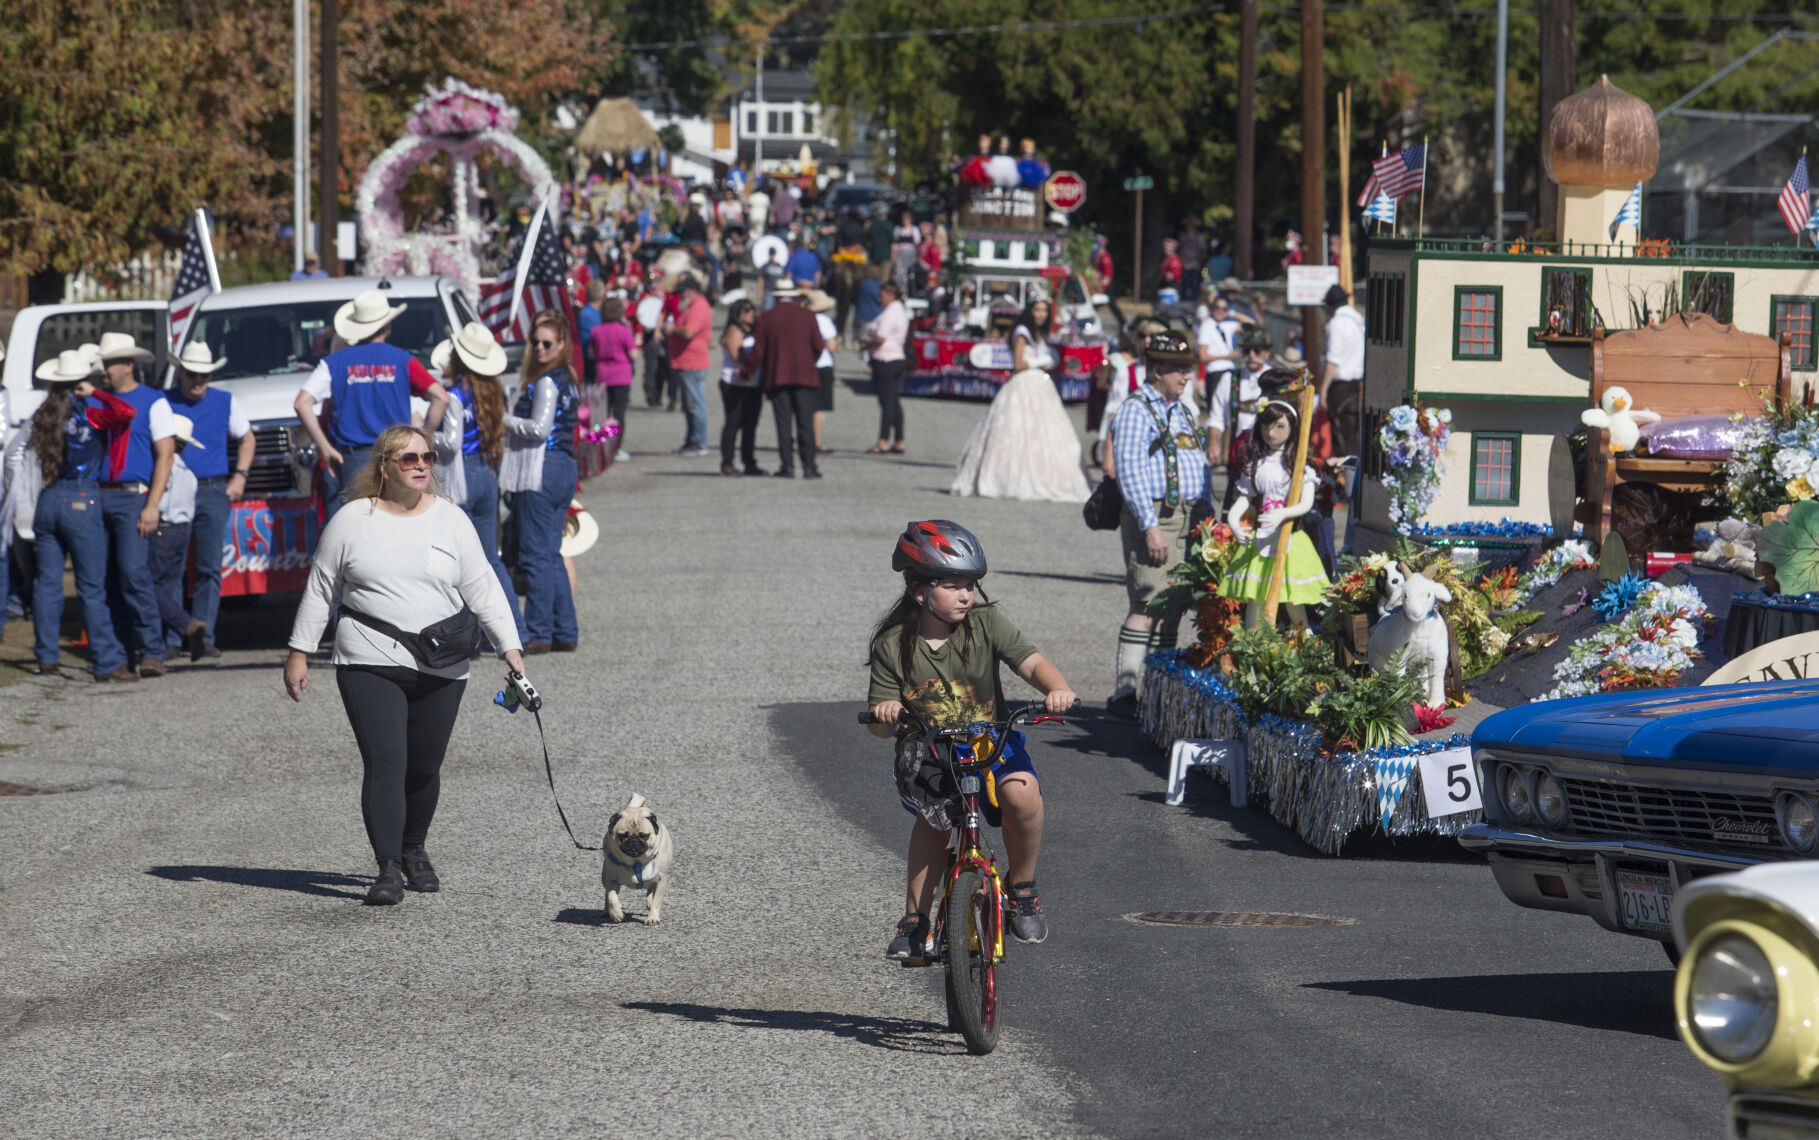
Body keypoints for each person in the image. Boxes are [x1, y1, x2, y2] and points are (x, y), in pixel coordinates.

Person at [284, 424, 527, 906]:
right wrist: (299, 652)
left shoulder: (453, 520)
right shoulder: (352, 519)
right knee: (387, 763)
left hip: (443, 660)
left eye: (427, 457)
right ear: (384, 467)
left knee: (424, 766)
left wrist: (511, 652)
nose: (420, 465)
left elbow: (484, 588)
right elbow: (322, 588)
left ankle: (415, 849)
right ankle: (388, 866)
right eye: (408, 458)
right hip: (369, 656)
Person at [865, 520, 1077, 959]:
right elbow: (877, 724)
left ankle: (1022, 888)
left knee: (1022, 793)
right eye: (955, 586)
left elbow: (1032, 663)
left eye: (971, 586)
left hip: (988, 738)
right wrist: (886, 715)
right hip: (929, 749)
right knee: (935, 818)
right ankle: (915, 922)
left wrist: (1055, 689)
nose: (966, 596)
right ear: (920, 590)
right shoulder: (893, 644)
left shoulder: (985, 623)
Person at [1104, 332, 1208, 724]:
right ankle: (1125, 692)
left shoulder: (1180, 409)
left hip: (1185, 516)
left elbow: (1195, 461)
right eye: (1179, 369)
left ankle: (1157, 690)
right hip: (1155, 515)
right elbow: (1128, 470)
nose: (1186, 376)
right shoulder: (1136, 409)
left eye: (1187, 369)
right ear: (1157, 369)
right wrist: (1150, 527)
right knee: (1147, 602)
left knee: (1173, 607)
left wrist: (1205, 514)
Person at [28, 350, 139, 680]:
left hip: (48, 497)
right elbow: (126, 411)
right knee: (91, 588)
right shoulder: (90, 414)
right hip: (82, 496)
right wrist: (98, 394)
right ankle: (107, 661)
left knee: (47, 583)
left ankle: (46, 656)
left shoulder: (45, 416)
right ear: (82, 383)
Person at [294, 288, 449, 519]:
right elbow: (441, 397)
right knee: (398, 522)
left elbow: (302, 403)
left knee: (359, 527)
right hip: (398, 456)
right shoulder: (403, 360)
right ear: (387, 326)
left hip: (354, 459)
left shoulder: (335, 362)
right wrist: (422, 438)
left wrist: (325, 448)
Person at [429, 322, 526, 647]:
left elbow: (452, 442)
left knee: (459, 562)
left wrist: (421, 432)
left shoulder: (455, 395)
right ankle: (515, 630)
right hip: (486, 472)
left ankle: (467, 638)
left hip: (460, 477)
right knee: (489, 560)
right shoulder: (492, 391)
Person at [164, 342, 257, 659]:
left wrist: (240, 476)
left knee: (207, 567)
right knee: (171, 567)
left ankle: (203, 635)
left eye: (203, 374)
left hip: (212, 489)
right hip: (172, 489)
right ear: (180, 372)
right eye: (192, 374)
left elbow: (247, 439)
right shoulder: (163, 400)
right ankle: (175, 637)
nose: (198, 380)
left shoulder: (225, 401)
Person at [500, 310, 580, 653]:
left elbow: (539, 429)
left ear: (562, 344)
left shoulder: (547, 382)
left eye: (548, 343)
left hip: (542, 466)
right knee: (550, 552)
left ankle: (539, 632)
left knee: (535, 554)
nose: (541, 348)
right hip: (562, 465)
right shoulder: (567, 379)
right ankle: (564, 630)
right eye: (536, 342)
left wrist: (504, 419)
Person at [95, 332, 175, 676]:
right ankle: (123, 651)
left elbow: (166, 455)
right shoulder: (99, 402)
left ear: (127, 365)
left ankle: (152, 649)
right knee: (107, 577)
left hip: (132, 494)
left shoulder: (153, 402)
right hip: (101, 492)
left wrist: (152, 503)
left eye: (109, 363)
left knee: (133, 572)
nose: (104, 370)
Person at [1218, 400, 1330, 628]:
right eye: (1266, 426)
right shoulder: (1254, 464)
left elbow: (1305, 503)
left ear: (1292, 429)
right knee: (1256, 600)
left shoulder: (1300, 467)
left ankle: (1303, 645)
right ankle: (1253, 648)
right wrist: (1234, 522)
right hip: (1260, 539)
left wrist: (1283, 514)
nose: (1271, 432)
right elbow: (1244, 498)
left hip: (1290, 538)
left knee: (1293, 601)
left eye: (1279, 426)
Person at [950, 365, 1090, 503]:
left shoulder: (1038, 342)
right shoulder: (1021, 340)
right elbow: (1018, 363)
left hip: (1039, 385)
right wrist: (1039, 362)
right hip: (1025, 384)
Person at [145, 414, 210, 663]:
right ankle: (173, 637)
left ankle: (186, 625)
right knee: (170, 585)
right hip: (183, 530)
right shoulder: (188, 474)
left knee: (149, 585)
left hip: (163, 527)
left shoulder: (165, 469)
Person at [742, 285, 825, 479]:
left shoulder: (766, 318)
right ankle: (809, 466)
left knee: (783, 423)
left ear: (777, 298)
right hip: (805, 377)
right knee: (805, 422)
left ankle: (787, 466)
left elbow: (758, 351)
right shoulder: (808, 316)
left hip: (778, 376)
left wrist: (746, 372)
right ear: (795, 297)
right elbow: (819, 347)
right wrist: (808, 363)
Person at [1208, 327, 1274, 470]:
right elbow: (1216, 417)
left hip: (1269, 455)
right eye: (1246, 350)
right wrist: (1213, 442)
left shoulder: (1274, 379)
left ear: (1267, 353)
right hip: (1237, 454)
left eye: (1257, 350)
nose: (1251, 355)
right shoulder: (1229, 379)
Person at [663, 275, 713, 457]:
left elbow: (689, 332)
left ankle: (699, 442)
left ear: (692, 290)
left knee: (695, 404)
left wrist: (672, 329)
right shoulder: (693, 306)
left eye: (683, 291)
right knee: (689, 404)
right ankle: (692, 440)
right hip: (686, 362)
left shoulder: (699, 307)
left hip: (692, 363)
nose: (681, 295)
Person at [585, 297, 638, 471]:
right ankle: (616, 447)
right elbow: (633, 354)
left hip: (602, 375)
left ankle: (600, 447)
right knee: (619, 413)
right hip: (621, 376)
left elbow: (592, 354)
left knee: (601, 415)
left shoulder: (596, 330)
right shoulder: (623, 331)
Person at [1320, 283, 1366, 474]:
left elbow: (1333, 360)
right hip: (1357, 384)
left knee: (1341, 438)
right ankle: (1349, 487)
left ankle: (1343, 488)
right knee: (1353, 435)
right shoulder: (1359, 321)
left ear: (1330, 306)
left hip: (1340, 387)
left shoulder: (1337, 324)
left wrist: (1323, 389)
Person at [862, 281, 909, 454]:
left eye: (881, 295)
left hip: (886, 359)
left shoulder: (891, 312)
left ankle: (883, 439)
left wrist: (866, 346)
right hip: (894, 357)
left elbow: (881, 337)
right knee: (894, 401)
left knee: (887, 402)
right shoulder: (897, 310)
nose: (878, 298)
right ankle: (899, 439)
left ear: (890, 295)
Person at [718, 299, 762, 476]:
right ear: (738, 314)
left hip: (753, 383)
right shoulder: (734, 331)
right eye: (747, 310)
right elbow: (740, 358)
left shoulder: (754, 331)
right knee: (733, 422)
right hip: (734, 383)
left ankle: (749, 461)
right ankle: (727, 462)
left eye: (753, 309)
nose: (752, 313)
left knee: (750, 424)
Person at [807, 288, 839, 452]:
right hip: (822, 365)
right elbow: (831, 346)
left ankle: (803, 437)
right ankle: (816, 441)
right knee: (819, 407)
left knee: (804, 405)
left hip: (805, 365)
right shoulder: (824, 321)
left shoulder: (804, 319)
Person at [1009, 298, 1056, 373]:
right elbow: (1017, 365)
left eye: (1045, 310)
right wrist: (1041, 361)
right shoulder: (1022, 332)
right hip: (1025, 380)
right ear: (1030, 311)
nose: (1042, 315)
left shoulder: (1040, 333)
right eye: (1037, 310)